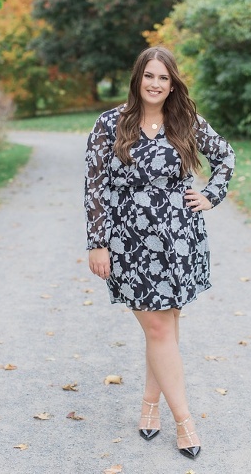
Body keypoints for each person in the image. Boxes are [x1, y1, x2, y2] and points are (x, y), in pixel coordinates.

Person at [84, 46, 235, 459]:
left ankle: (150, 405)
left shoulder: (185, 121)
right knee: (158, 330)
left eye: (163, 78)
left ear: (172, 84)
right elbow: (95, 188)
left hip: (180, 239)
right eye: (149, 76)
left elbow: (226, 157)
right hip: (128, 241)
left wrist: (210, 196)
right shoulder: (109, 124)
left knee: (164, 326)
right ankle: (184, 420)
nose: (155, 84)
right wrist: (98, 242)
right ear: (138, 79)